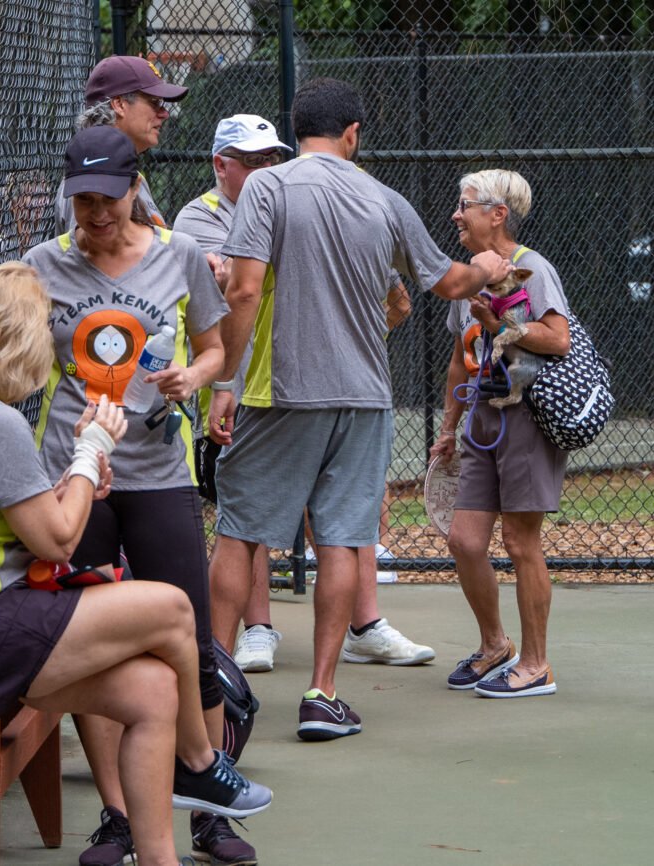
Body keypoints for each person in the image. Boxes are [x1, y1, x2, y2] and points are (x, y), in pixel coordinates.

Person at [0, 262, 271, 866]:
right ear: (18, 339)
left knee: (152, 689)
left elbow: (31, 520)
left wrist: (79, 475)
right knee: (171, 608)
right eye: (41, 328)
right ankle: (198, 766)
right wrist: (91, 450)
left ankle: (160, 856)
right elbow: (59, 542)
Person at [206, 77, 513, 742]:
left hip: (286, 392)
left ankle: (212, 696)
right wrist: (488, 264)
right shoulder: (384, 198)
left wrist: (224, 379)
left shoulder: (268, 187)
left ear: (300, 131)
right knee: (344, 538)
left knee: (239, 531)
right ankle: (322, 694)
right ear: (352, 135)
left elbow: (244, 289)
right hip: (365, 398)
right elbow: (447, 282)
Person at [23, 126, 266, 866]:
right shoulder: (42, 265)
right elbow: (20, 356)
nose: (94, 215)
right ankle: (121, 816)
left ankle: (206, 807)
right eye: (82, 201)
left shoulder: (180, 255)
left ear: (135, 190)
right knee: (92, 647)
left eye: (107, 199)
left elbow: (219, 345)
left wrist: (196, 379)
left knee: (189, 638)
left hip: (158, 466)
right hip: (76, 475)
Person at [430, 169, 569, 698]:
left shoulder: (534, 269)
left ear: (497, 214)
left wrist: (499, 326)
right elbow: (458, 364)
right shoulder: (464, 276)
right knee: (464, 539)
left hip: (528, 417)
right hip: (482, 419)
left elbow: (558, 340)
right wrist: (449, 428)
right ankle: (496, 646)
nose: (455, 215)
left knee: (519, 540)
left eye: (464, 204)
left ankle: (537, 665)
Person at [173, 113, 292, 678]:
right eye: (254, 162)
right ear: (222, 165)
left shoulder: (279, 207)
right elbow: (223, 289)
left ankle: (355, 625)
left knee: (264, 504)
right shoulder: (197, 218)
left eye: (273, 160)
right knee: (238, 510)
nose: (267, 170)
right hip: (226, 384)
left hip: (279, 378)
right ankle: (250, 630)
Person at [55, 54, 188, 234]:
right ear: (119, 104)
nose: (164, 113)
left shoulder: (132, 175)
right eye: (154, 102)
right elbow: (90, 259)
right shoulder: (87, 179)